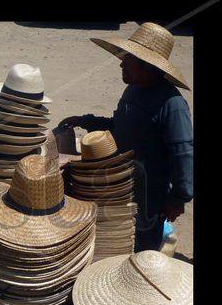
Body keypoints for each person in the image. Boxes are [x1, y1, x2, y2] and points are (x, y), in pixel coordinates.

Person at [58, 22, 193, 252]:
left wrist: (178, 198)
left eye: (128, 59)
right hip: (122, 186)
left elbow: (184, 153)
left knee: (142, 247)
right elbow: (120, 125)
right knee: (118, 242)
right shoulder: (134, 90)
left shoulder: (172, 104)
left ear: (148, 66)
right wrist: (86, 121)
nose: (122, 63)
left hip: (149, 196)